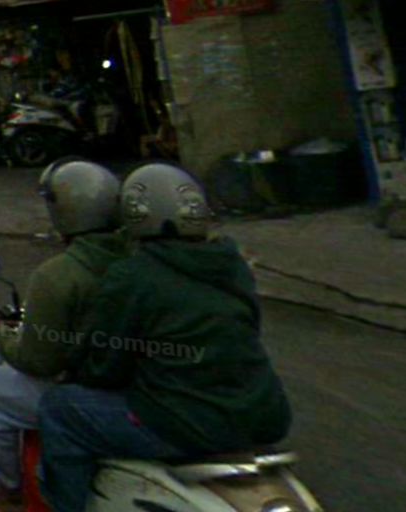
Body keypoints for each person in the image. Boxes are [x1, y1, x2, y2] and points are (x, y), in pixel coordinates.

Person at [37, 162, 292, 512]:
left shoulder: (132, 276)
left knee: (59, 408)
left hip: (188, 424)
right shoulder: (233, 265)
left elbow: (105, 368)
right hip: (263, 415)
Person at [0, 158, 127, 512]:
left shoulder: (58, 274)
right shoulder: (142, 257)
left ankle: (10, 491)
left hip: (96, 392)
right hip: (138, 385)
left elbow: (38, 360)